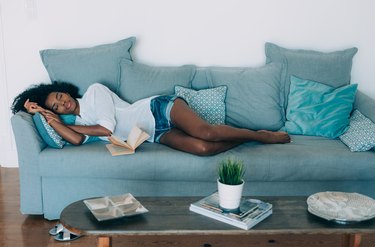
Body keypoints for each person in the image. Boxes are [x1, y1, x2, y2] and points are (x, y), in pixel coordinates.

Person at [11, 82, 291, 156]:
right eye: (57, 106)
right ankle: (245, 139)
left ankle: (260, 135)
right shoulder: (75, 121)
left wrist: (55, 117)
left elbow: (106, 128)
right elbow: (75, 140)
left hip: (159, 109)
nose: (63, 102)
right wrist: (46, 117)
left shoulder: (94, 92)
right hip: (154, 133)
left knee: (205, 133)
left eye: (60, 96)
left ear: (65, 90)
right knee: (204, 150)